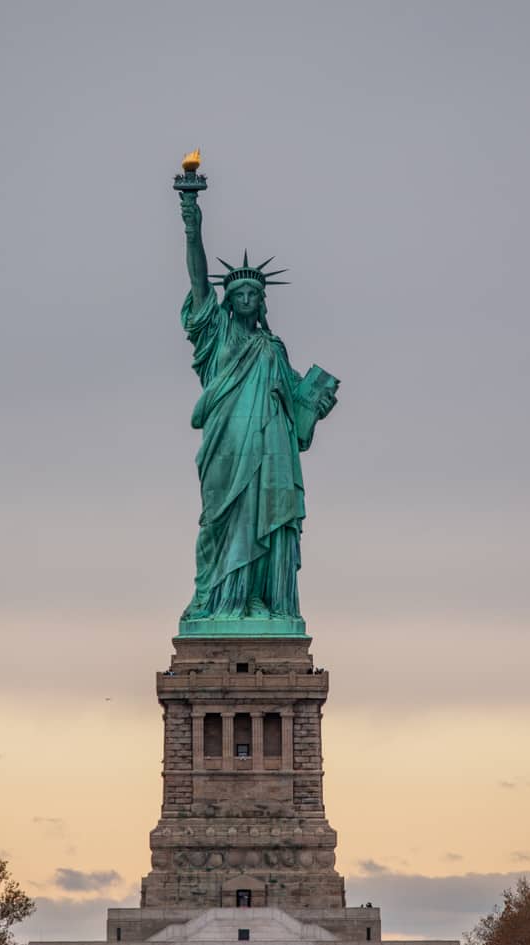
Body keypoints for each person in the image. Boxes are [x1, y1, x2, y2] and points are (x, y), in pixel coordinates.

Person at [178, 193, 337, 627]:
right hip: (227, 447)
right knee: (223, 521)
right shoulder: (216, 336)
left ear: (263, 301)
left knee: (264, 518)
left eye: (254, 293)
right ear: (227, 301)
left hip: (272, 451)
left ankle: (260, 601)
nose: (247, 297)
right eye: (239, 292)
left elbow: (296, 414)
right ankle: (220, 599)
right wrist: (193, 226)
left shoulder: (273, 348)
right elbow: (197, 282)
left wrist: (315, 404)